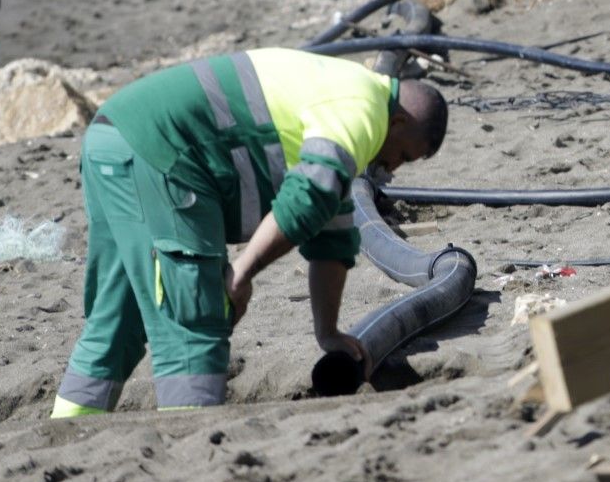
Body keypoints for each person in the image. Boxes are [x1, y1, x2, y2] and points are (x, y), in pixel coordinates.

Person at [51, 50, 447, 414]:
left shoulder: (343, 92)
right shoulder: (362, 109)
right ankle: (192, 450)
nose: (393, 168)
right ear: (398, 122)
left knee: (118, 319)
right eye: (404, 154)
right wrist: (242, 272)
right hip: (162, 153)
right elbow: (311, 194)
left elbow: (331, 235)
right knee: (198, 318)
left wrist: (327, 333)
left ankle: (66, 435)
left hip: (112, 139)